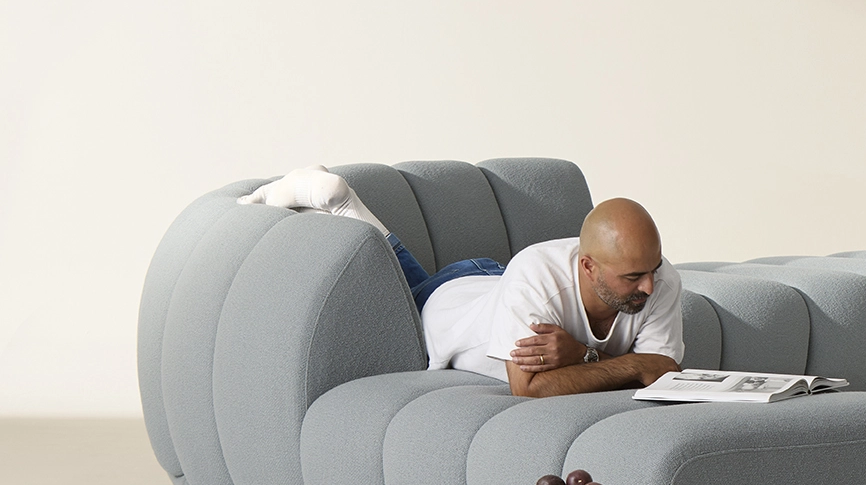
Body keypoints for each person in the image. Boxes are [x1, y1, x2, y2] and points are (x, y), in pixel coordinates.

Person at [236, 169, 683, 398]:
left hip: (495, 285)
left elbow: (662, 371)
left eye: (653, 269)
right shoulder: (539, 274)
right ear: (587, 267)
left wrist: (583, 355)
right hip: (452, 302)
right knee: (411, 294)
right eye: (632, 277)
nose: (648, 286)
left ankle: (338, 198)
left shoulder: (660, 279)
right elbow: (529, 388)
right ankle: (338, 202)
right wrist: (628, 364)